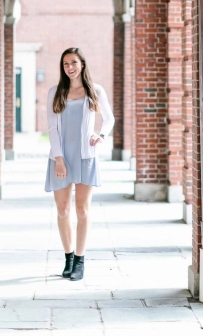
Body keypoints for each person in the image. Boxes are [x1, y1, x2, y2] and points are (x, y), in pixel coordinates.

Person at [45, 47, 115, 281]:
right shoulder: (55, 92)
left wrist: (101, 135)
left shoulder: (95, 91)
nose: (70, 67)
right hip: (60, 158)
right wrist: (59, 160)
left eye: (73, 62)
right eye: (65, 64)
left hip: (85, 156)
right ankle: (68, 257)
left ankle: (80, 260)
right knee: (63, 210)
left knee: (82, 210)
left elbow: (109, 118)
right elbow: (52, 128)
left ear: (82, 64)